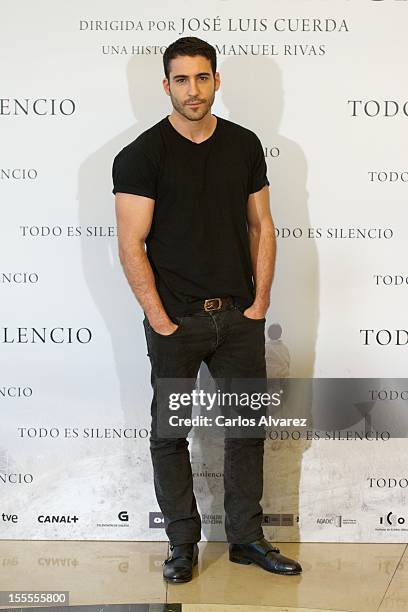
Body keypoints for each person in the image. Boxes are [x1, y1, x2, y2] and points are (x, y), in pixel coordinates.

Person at [112, 36, 302, 583]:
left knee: (246, 430)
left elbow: (261, 225)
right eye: (181, 80)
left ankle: (246, 539)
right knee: (171, 434)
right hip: (176, 323)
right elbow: (131, 244)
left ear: (217, 80)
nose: (192, 91)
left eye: (202, 78)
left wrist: (259, 303)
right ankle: (181, 544)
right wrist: (160, 318)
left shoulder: (244, 145)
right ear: (166, 85)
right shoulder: (141, 155)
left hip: (239, 319)